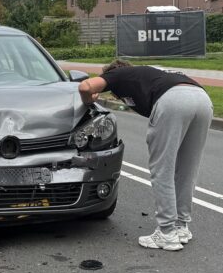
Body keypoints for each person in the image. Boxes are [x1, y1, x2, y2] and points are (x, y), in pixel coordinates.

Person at [78, 60, 213, 251]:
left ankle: (166, 233)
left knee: (162, 169)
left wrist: (88, 100)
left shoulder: (118, 74)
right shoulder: (152, 72)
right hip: (202, 99)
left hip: (172, 101)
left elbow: (85, 86)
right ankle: (181, 227)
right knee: (187, 168)